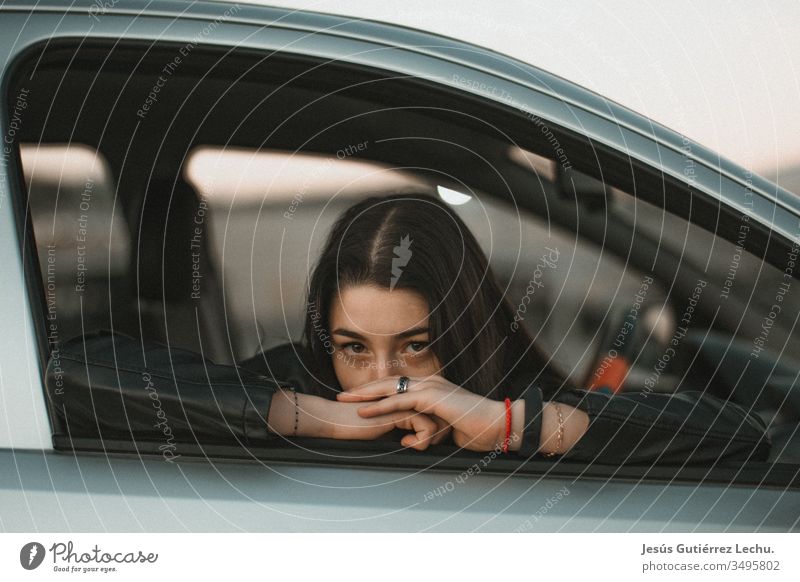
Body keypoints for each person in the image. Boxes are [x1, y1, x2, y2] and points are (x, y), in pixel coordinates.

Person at [48, 194, 771, 464]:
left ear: (465, 328)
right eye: (352, 348)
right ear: (322, 335)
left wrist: (510, 425)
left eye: (417, 345)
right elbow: (69, 375)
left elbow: (739, 435)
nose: (382, 377)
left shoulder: (507, 400)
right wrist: (320, 420)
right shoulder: (291, 383)